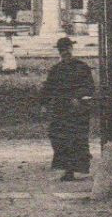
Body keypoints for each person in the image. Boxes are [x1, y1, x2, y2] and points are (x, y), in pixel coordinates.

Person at [39, 36, 93, 180]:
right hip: (61, 109)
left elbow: (89, 87)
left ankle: (73, 169)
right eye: (62, 50)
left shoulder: (81, 67)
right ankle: (66, 168)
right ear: (59, 52)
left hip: (77, 109)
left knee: (76, 138)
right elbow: (48, 88)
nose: (65, 52)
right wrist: (44, 104)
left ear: (71, 49)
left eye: (67, 49)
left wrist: (79, 98)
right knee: (58, 137)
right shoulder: (56, 70)